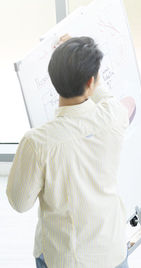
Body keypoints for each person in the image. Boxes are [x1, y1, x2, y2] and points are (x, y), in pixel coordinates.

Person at [6, 36, 131, 268]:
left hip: (65, 258)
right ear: (91, 82)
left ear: (53, 81)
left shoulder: (37, 142)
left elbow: (20, 203)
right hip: (112, 251)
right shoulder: (114, 115)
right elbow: (102, 93)